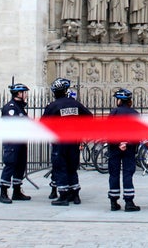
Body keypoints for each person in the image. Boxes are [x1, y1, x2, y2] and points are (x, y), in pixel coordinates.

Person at [43, 77, 92, 206]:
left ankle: (63, 196)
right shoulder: (75, 104)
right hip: (74, 140)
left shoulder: (53, 106)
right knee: (72, 167)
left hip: (60, 142)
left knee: (61, 167)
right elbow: (89, 116)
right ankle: (75, 195)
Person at [0, 82, 33, 204]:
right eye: (25, 93)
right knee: (10, 165)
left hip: (21, 141)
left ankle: (17, 191)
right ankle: (3, 192)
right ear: (19, 93)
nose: (26, 95)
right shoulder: (11, 108)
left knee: (20, 166)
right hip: (12, 142)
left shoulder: (20, 107)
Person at [107, 89, 141, 212]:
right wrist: (127, 143)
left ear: (119, 100)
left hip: (115, 148)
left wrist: (118, 143)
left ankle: (113, 201)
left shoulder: (114, 113)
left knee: (114, 173)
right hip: (129, 148)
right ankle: (129, 201)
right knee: (128, 173)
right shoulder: (135, 114)